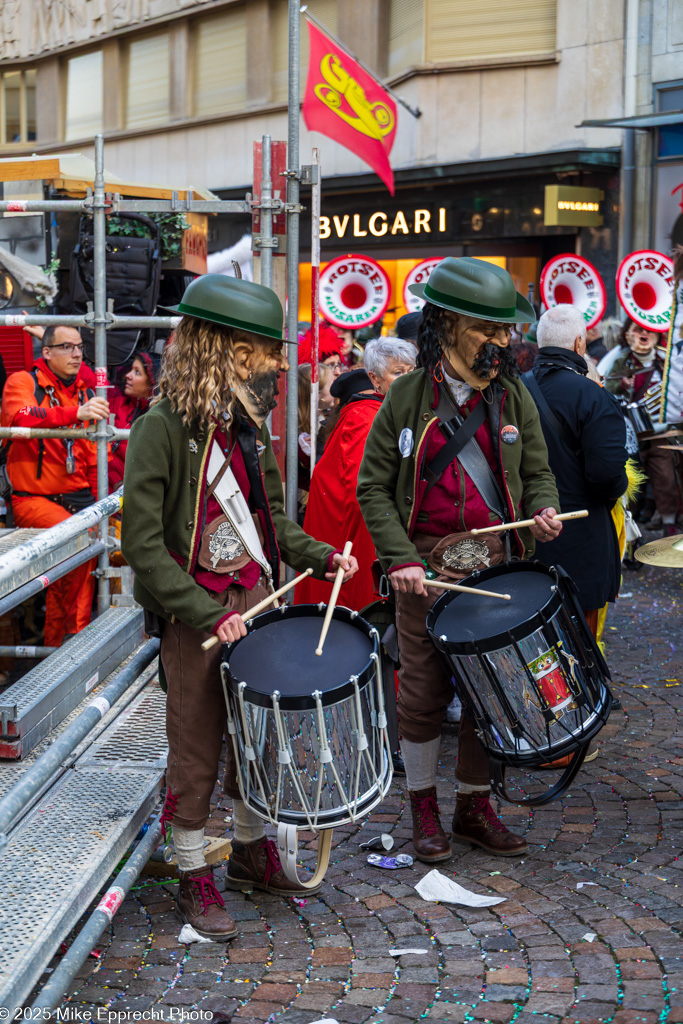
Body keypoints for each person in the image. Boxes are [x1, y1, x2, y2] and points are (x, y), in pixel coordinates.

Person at [121, 274, 358, 940]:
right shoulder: (161, 429)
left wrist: (319, 556)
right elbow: (141, 544)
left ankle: (253, 854)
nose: (277, 365)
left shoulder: (249, 430)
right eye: (261, 349)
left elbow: (274, 525)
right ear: (221, 349)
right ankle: (195, 870)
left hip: (254, 599)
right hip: (195, 613)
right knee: (195, 746)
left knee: (258, 739)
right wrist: (201, 610)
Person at [357, 257, 562, 861]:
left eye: (506, 331)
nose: (503, 343)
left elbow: (538, 473)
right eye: (488, 330)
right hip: (424, 570)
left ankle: (474, 807)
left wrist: (545, 510)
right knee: (420, 693)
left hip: (495, 566)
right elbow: (372, 486)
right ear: (446, 324)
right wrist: (398, 557)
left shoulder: (514, 394)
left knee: (489, 690)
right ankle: (423, 807)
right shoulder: (405, 397)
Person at [1, 325, 109, 646]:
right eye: (67, 347)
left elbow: (91, 459)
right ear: (46, 352)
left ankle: (74, 641)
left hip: (78, 498)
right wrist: (74, 413)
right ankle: (66, 643)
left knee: (84, 554)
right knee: (75, 545)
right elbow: (21, 417)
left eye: (79, 347)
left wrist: (100, 504)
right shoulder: (23, 381)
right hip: (31, 499)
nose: (77, 354)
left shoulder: (84, 392)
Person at [523, 305, 628, 636]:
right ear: (580, 344)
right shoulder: (593, 396)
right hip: (582, 537)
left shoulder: (512, 391)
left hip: (524, 535)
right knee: (580, 645)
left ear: (540, 343)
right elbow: (608, 475)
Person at [296, 338, 416, 611]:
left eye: (412, 372)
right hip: (356, 543)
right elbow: (363, 491)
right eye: (398, 373)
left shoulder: (381, 411)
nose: (408, 380)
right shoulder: (365, 417)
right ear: (374, 379)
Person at [605, 320, 678, 534]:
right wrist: (622, 384)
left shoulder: (665, 360)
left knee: (665, 477)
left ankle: (669, 523)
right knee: (630, 479)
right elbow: (607, 386)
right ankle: (629, 526)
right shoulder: (621, 361)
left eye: (649, 330)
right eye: (638, 329)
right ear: (628, 334)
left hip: (659, 432)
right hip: (630, 434)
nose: (644, 334)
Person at [109, 351, 160, 491]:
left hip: (138, 496)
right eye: (131, 369)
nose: (128, 375)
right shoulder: (115, 402)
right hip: (105, 492)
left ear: (152, 381)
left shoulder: (160, 419)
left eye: (137, 372)